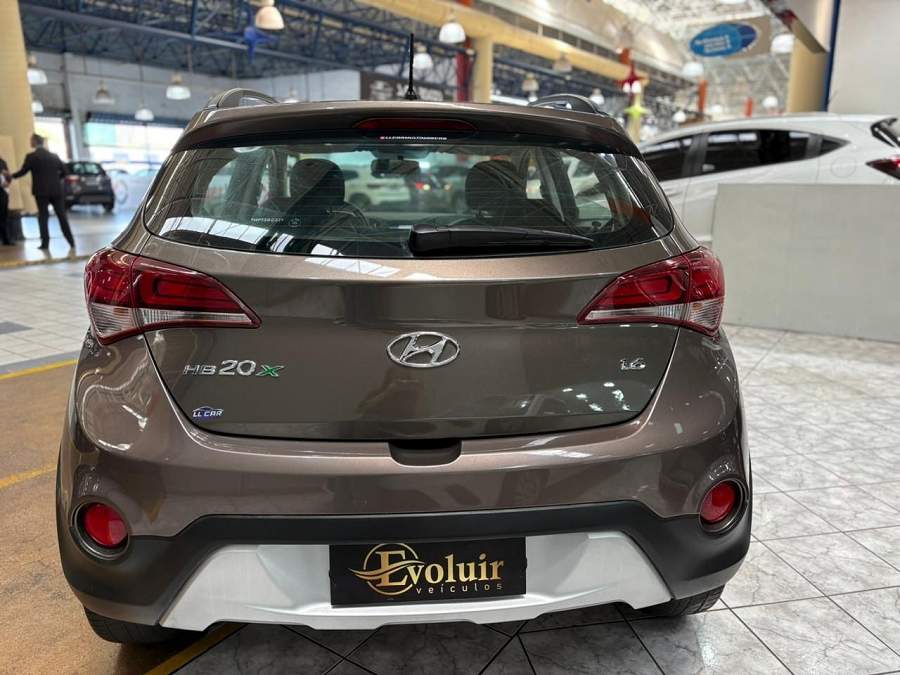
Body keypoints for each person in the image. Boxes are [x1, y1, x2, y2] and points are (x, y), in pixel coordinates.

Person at [11, 134, 75, 250]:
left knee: (43, 217)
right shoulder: (54, 156)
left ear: (35, 142)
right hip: (56, 191)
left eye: (31, 140)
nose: (30, 142)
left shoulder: (32, 156)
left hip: (41, 192)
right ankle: (71, 242)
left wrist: (11, 176)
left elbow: (23, 171)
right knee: (62, 216)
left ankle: (45, 244)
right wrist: (56, 180)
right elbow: (65, 172)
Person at [0, 156, 11, 245]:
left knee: (4, 215)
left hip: (3, 191)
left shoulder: (2, 161)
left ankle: (6, 239)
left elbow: (8, 175)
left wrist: (8, 182)